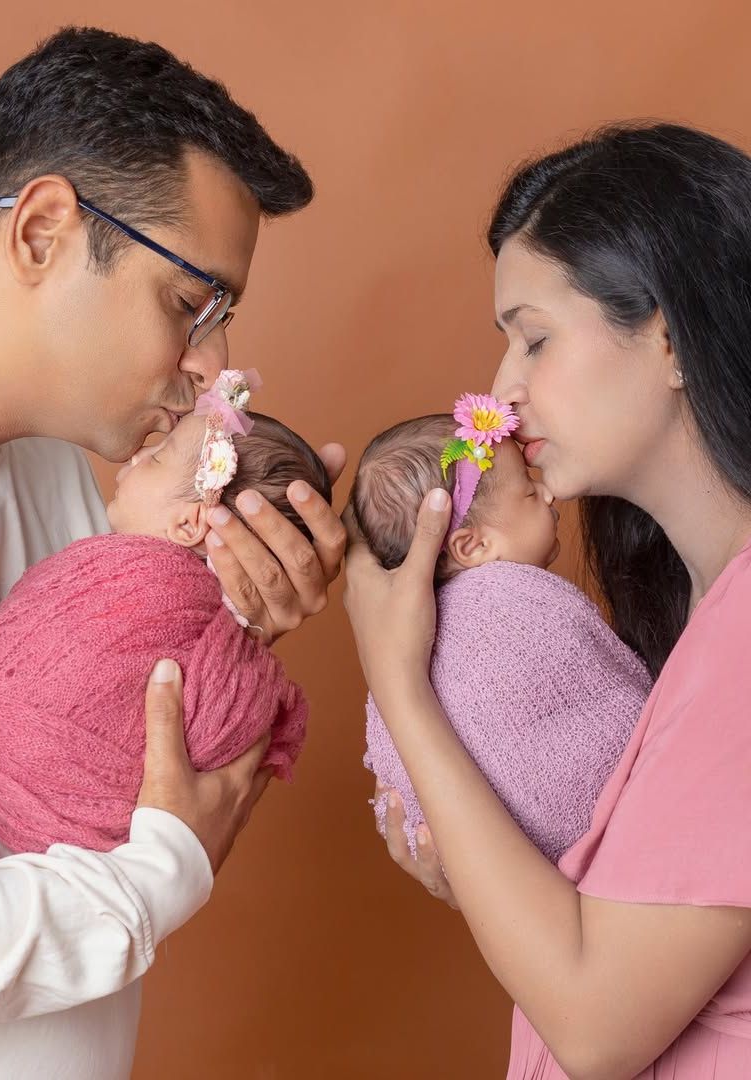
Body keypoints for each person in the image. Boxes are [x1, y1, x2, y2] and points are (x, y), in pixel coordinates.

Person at [0, 26, 344, 1080]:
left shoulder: (58, 465)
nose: (214, 365)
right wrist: (162, 875)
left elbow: (97, 789)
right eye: (190, 304)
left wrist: (222, 620)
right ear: (43, 232)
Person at [344, 122, 751, 1078]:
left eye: (534, 339)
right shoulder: (698, 617)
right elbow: (618, 948)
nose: (503, 393)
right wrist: (499, 879)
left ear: (670, 336)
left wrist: (400, 686)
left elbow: (598, 1026)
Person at [0, 370, 332, 855]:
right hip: (74, 831)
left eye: (155, 458)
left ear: (188, 524)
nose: (135, 457)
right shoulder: (157, 592)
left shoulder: (167, 595)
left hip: (52, 794)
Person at [351, 403, 650, 864]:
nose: (548, 493)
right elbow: (613, 688)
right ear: (473, 546)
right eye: (528, 491)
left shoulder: (399, 636)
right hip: (615, 820)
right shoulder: (521, 601)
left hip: (499, 861)